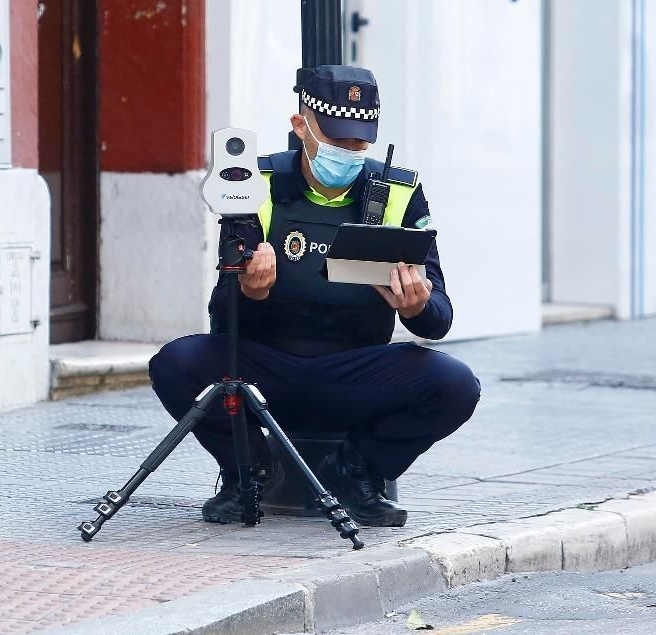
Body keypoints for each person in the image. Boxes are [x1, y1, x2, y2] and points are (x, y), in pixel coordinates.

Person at [148, 66, 481, 526]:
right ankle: (248, 471)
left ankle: (357, 470)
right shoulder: (256, 182)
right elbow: (222, 314)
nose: (349, 152)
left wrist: (418, 306)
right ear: (301, 126)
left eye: (360, 143)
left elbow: (439, 318)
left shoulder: (399, 192)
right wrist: (250, 290)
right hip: (266, 367)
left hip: (356, 370)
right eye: (337, 139)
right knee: (175, 363)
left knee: (456, 384)